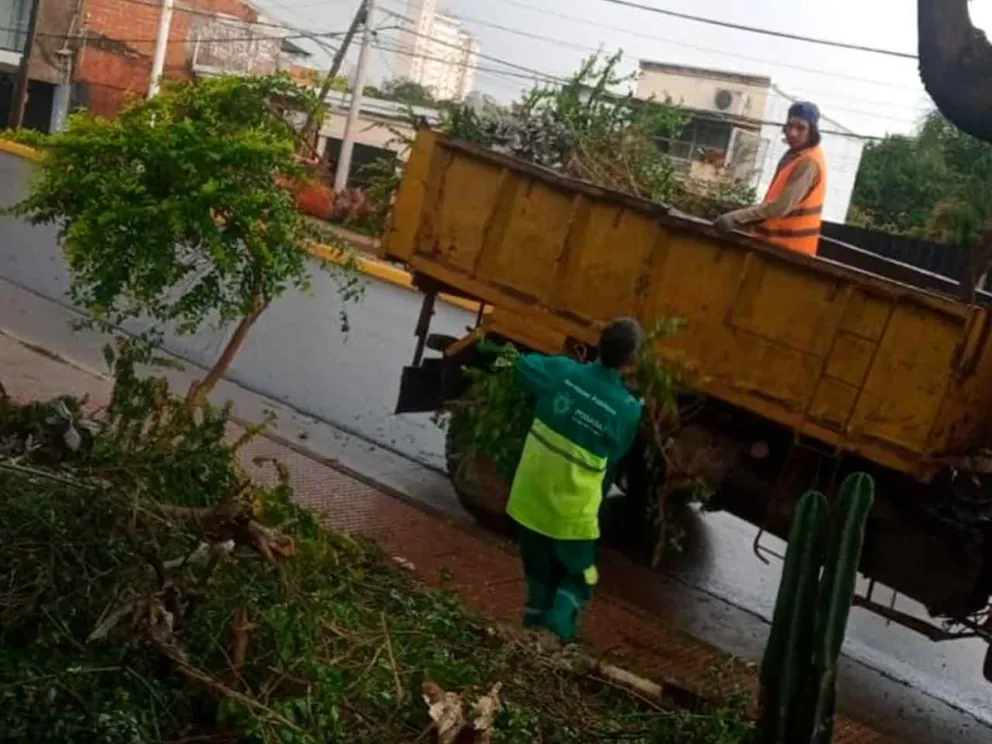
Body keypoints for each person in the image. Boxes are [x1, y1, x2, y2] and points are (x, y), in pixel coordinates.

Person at [505, 318, 644, 642]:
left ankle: (531, 633)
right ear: (631, 360)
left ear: (598, 344)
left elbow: (521, 366)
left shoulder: (561, 373)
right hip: (571, 515)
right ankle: (557, 631)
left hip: (527, 502)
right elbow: (615, 455)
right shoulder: (627, 409)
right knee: (585, 577)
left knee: (539, 575)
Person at [713, 101, 827, 257]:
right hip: (774, 247)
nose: (792, 133)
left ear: (812, 132)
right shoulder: (794, 156)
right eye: (789, 126)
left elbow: (781, 207)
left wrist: (735, 219)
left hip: (790, 253)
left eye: (800, 128)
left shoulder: (808, 163)